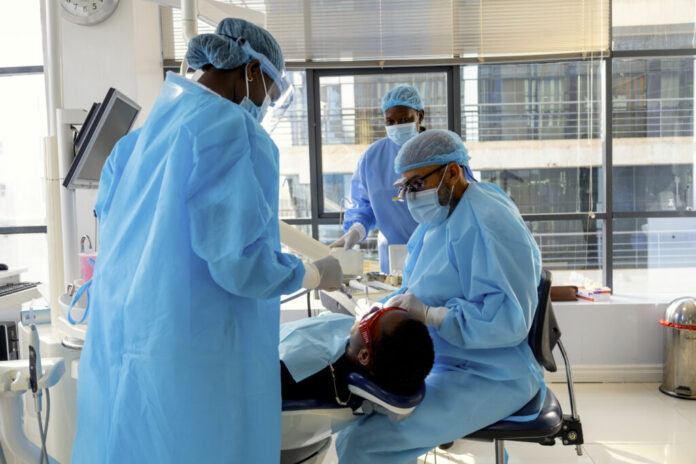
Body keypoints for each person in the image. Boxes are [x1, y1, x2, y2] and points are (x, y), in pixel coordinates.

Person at [71, 18, 343, 464]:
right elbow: (240, 264)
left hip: (122, 342)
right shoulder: (231, 130)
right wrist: (313, 274)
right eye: (269, 93)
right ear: (250, 71)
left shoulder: (134, 143)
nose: (264, 105)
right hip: (192, 353)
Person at [335, 130, 544, 463]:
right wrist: (389, 304)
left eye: (417, 184)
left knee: (363, 442)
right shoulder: (441, 216)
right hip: (451, 361)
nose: (411, 196)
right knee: (356, 414)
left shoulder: (487, 221)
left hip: (490, 375)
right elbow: (418, 282)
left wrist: (431, 314)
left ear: (453, 172)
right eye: (405, 187)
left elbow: (509, 320)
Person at [332, 85, 477, 274]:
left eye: (404, 119)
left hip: (440, 252)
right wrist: (356, 230)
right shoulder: (372, 158)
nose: (397, 126)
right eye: (390, 121)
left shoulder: (441, 150)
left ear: (420, 115)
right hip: (395, 256)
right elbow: (365, 206)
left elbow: (463, 194)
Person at [280, 309, 435, 405]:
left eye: (373, 318)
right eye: (384, 309)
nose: (372, 310)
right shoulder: (358, 341)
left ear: (364, 356)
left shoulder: (298, 371)